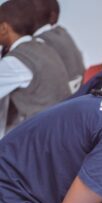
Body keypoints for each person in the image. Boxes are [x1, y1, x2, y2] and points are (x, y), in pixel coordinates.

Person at [0, 0, 70, 134]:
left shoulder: (17, 61)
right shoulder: (41, 47)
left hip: (39, 138)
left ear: (4, 28)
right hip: (58, 128)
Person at [31, 0, 85, 94]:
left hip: (61, 98)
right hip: (78, 91)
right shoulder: (62, 32)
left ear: (53, 16)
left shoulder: (41, 41)